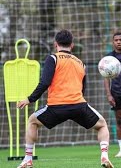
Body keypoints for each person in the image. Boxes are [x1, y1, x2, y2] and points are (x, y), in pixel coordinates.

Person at [16, 30, 114, 168]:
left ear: (56, 44)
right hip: (78, 105)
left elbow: (45, 82)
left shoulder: (53, 58)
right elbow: (82, 88)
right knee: (102, 125)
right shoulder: (81, 63)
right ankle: (104, 157)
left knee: (32, 121)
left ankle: (28, 159)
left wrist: (30, 99)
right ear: (72, 45)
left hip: (56, 107)